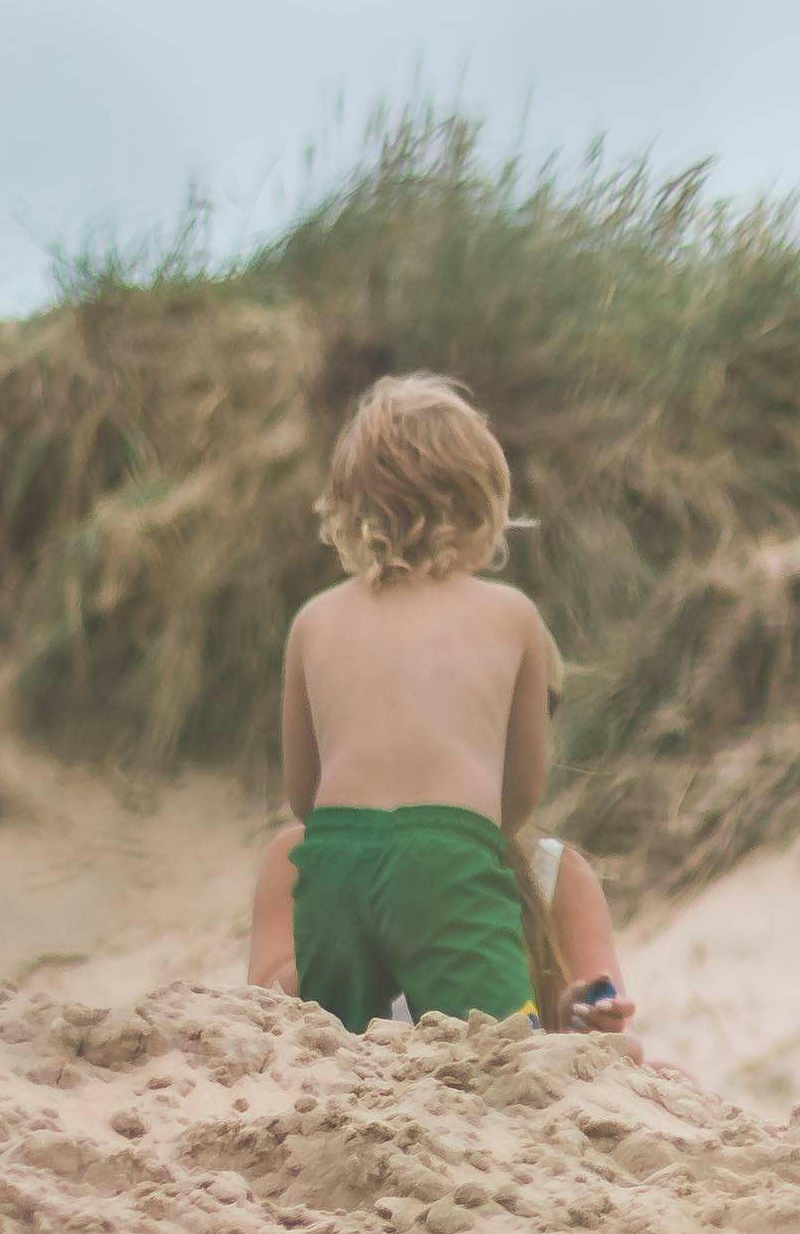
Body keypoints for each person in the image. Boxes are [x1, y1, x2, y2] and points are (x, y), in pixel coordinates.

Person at [256, 374, 563, 1031]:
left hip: (335, 857)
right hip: (449, 856)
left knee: (331, 1045)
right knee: (501, 1045)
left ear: (344, 511)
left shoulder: (313, 621)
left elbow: (304, 794)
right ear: (486, 504)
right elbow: (524, 785)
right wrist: (467, 837)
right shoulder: (511, 614)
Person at [251, 818, 640, 1036]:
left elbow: (622, 1047)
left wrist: (576, 1022)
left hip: (503, 1118)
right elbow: (261, 1016)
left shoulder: (553, 874)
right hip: (353, 1111)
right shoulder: (300, 858)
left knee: (672, 1075)